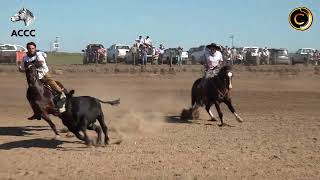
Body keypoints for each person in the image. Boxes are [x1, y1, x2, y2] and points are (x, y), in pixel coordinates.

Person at [18, 42, 66, 120]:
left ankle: (63, 103)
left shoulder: (38, 55)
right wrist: (21, 69)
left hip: (44, 75)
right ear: (27, 49)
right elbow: (21, 68)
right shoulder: (25, 58)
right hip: (33, 79)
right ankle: (36, 113)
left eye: (33, 48)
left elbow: (40, 63)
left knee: (56, 88)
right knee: (29, 95)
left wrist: (30, 66)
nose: (31, 50)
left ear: (35, 48)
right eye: (29, 48)